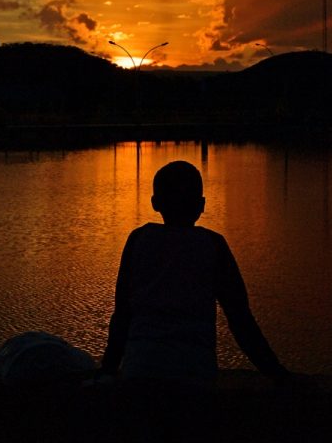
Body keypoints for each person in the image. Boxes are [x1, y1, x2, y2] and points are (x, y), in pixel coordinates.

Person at [99, 160, 290, 386]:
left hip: (140, 371)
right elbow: (241, 321)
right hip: (194, 375)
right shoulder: (213, 245)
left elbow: (122, 316)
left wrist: (107, 371)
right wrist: (279, 375)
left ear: (155, 203)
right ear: (202, 205)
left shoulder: (138, 240)